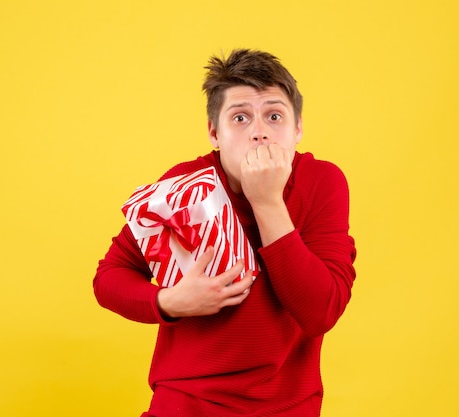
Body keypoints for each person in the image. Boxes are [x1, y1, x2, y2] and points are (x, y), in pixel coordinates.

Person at [94, 48, 357, 417]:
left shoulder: (322, 183)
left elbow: (321, 312)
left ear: (298, 129)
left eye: (274, 116)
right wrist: (170, 302)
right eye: (240, 118)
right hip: (186, 404)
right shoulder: (184, 185)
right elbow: (109, 277)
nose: (260, 133)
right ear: (214, 133)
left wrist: (266, 202)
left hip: (287, 407)